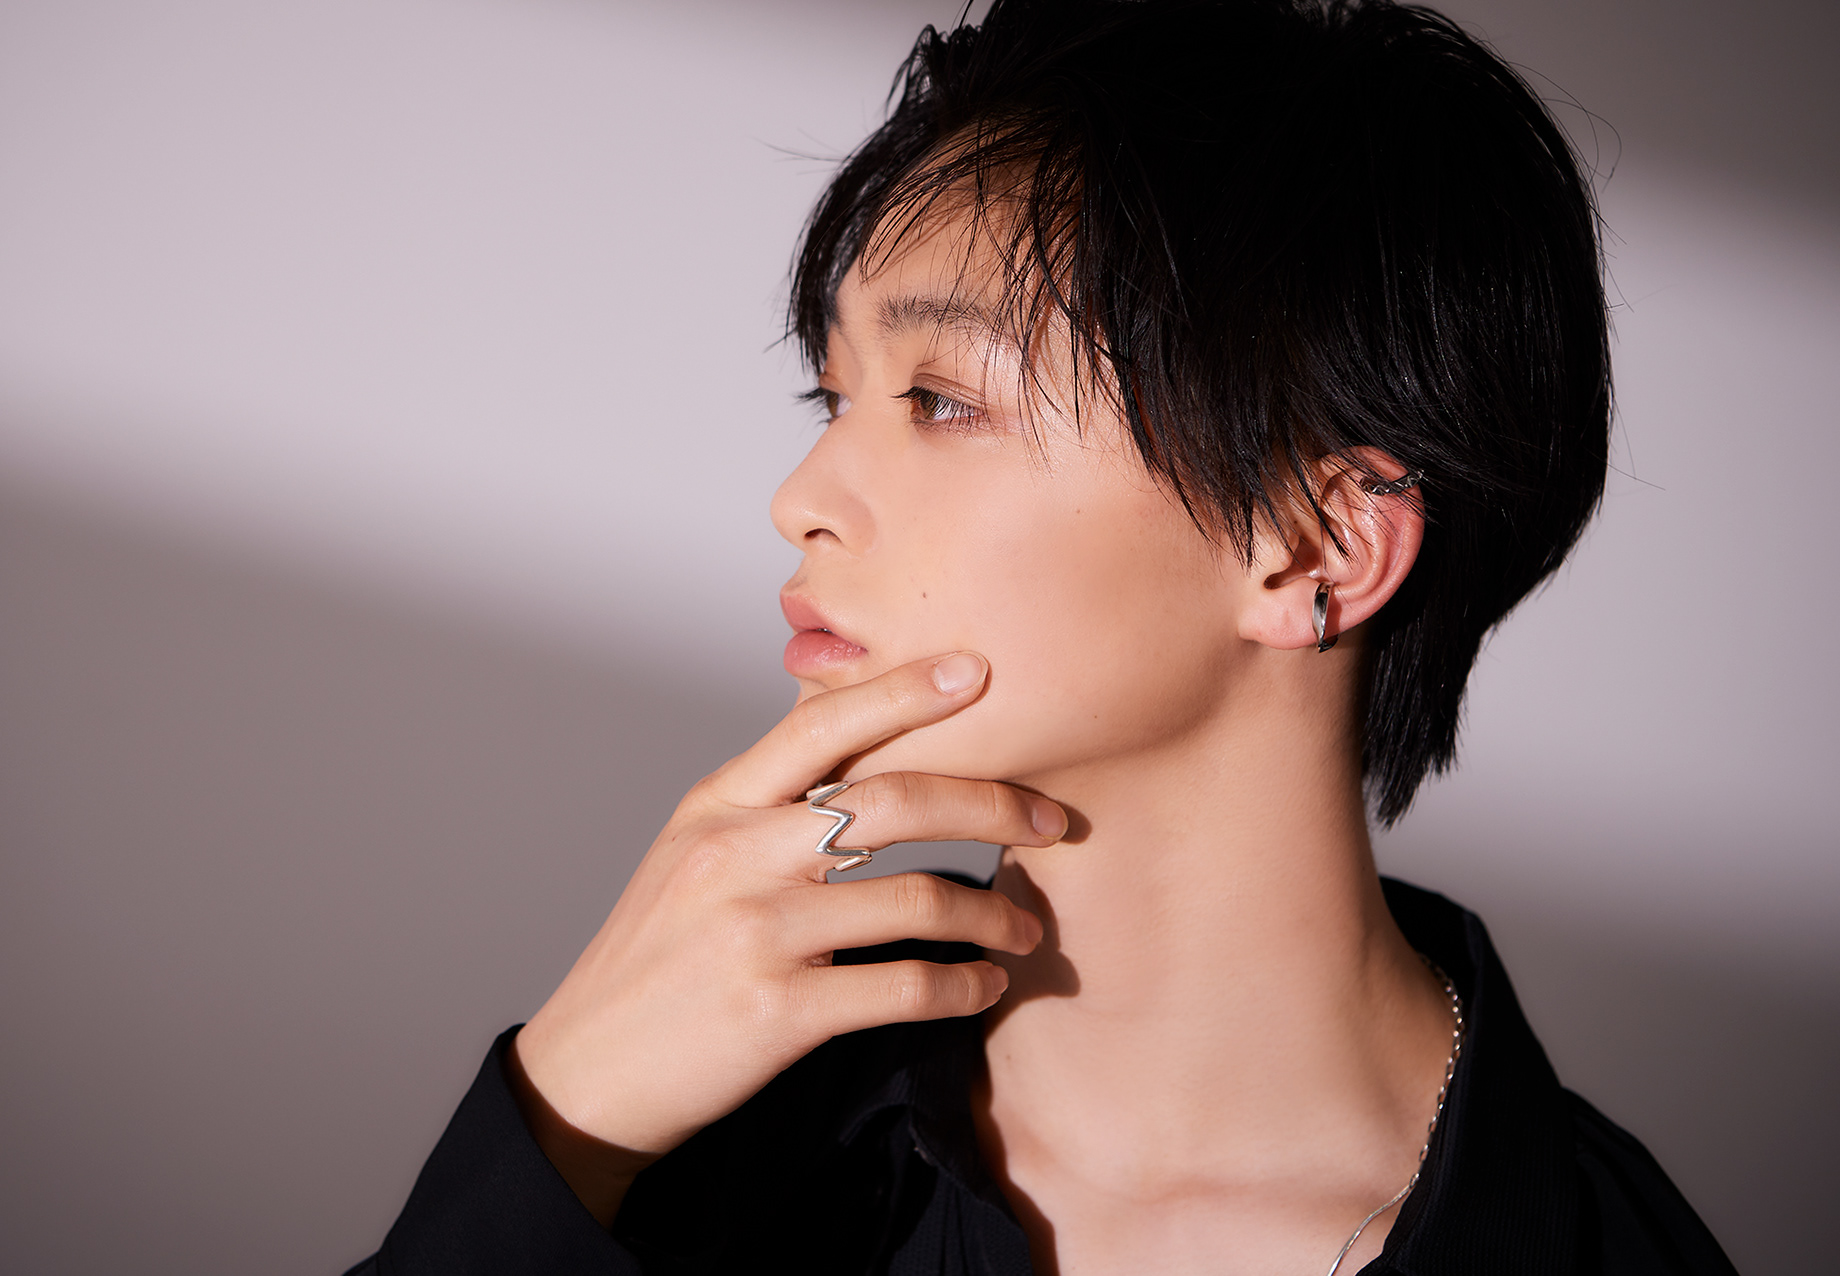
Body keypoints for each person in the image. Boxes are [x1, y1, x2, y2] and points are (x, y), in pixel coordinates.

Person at [353, 1, 1737, 1271]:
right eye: (832, 397)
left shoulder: (1601, 1253)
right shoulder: (697, 1149)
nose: (801, 499)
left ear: (1317, 546)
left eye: (943, 400)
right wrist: (568, 1106)